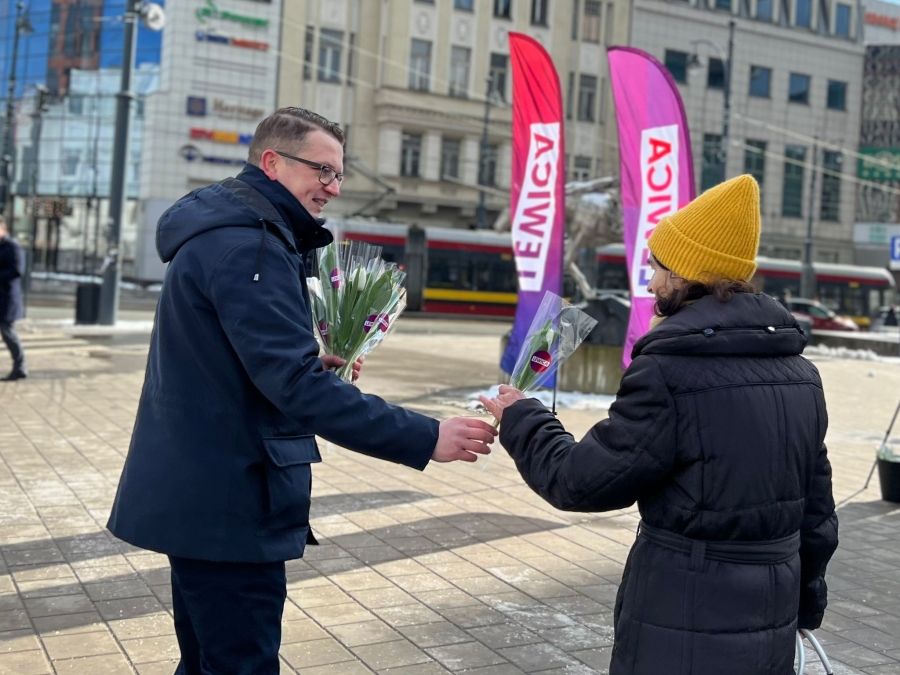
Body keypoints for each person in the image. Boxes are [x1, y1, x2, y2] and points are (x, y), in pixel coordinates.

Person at [107, 108, 497, 675]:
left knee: (208, 662)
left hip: (202, 492)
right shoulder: (253, 247)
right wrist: (426, 435)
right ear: (272, 162)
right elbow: (294, 386)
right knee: (239, 664)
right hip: (231, 502)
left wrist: (307, 361)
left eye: (339, 174)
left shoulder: (225, 235)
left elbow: (235, 364)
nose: (332, 187)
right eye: (322, 170)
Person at [482, 175, 837, 675]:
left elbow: (580, 481)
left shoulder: (669, 371)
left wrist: (524, 417)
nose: (650, 284)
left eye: (658, 268)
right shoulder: (802, 375)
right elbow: (818, 516)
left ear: (688, 274)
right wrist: (805, 607)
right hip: (771, 618)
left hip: (682, 616)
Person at [0, 215, 27, 381]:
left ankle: (20, 367)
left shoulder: (12, 246)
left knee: (8, 333)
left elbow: (17, 270)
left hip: (6, 298)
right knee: (7, 333)